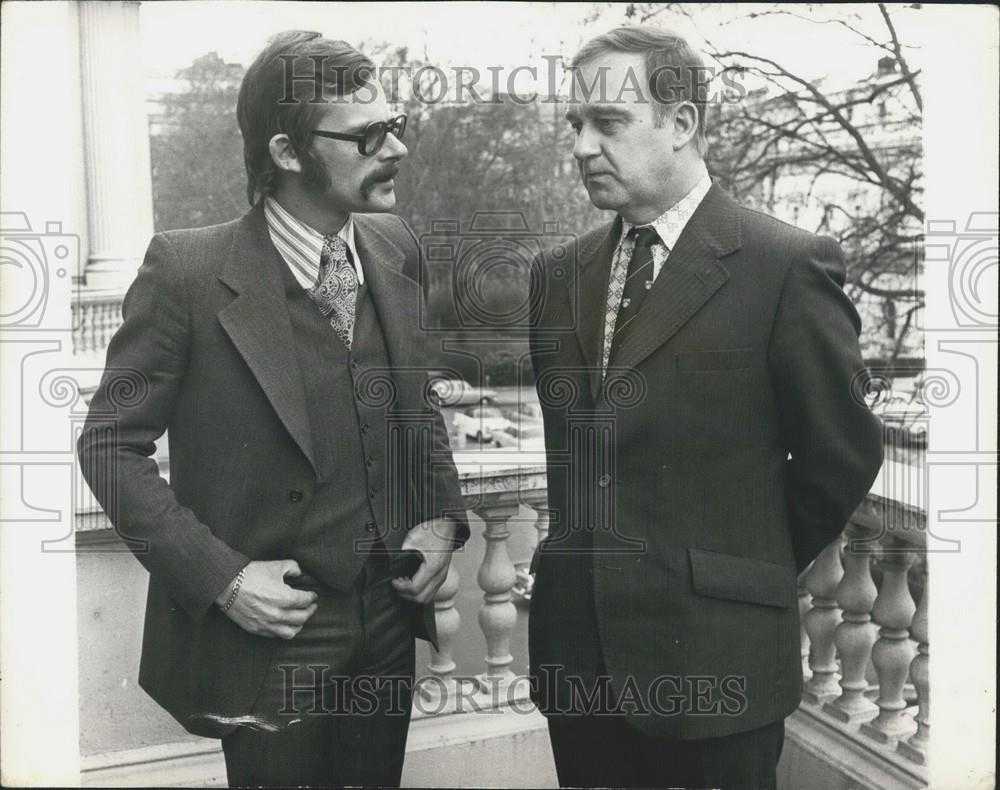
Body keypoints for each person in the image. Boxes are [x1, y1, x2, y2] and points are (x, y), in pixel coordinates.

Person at [77, 30, 467, 788]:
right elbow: (107, 446)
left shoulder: (395, 249)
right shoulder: (188, 272)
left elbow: (412, 405)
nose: (397, 151)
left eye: (396, 127)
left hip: (385, 620)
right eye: (368, 136)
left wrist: (440, 517)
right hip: (269, 638)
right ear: (288, 152)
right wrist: (222, 578)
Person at [527, 26, 883, 789]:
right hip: (579, 667)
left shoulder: (785, 264)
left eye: (609, 123)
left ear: (682, 124)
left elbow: (843, 452)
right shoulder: (558, 275)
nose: (585, 146)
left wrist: (739, 569)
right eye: (576, 125)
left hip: (716, 670)